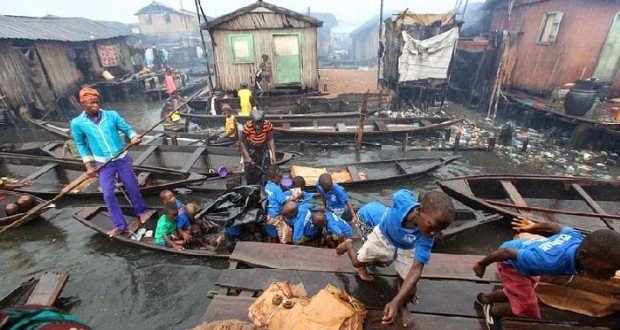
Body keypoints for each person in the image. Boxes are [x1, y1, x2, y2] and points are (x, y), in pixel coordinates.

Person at [336, 189, 455, 327]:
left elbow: (416, 270)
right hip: (383, 236)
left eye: (440, 229)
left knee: (408, 280)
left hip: (407, 245)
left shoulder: (427, 236)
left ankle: (403, 305)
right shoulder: (402, 201)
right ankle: (349, 245)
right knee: (357, 262)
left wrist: (395, 302)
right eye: (432, 226)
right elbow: (403, 192)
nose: (434, 233)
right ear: (419, 210)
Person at [473, 218, 620, 328]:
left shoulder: (577, 238)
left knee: (525, 291)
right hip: (512, 266)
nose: (612, 275)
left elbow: (556, 226)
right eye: (609, 270)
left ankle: (485, 299)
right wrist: (482, 264)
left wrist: (533, 226)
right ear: (583, 255)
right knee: (528, 308)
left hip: (529, 261)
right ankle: (494, 312)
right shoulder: (549, 261)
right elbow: (506, 252)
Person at [70, 87, 148, 237]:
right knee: (108, 195)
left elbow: (127, 129)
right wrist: (89, 166)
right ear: (83, 104)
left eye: (97, 102)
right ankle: (120, 225)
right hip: (103, 164)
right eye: (92, 103)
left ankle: (141, 212)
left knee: (132, 187)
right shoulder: (77, 123)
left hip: (122, 159)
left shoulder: (112, 115)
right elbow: (80, 145)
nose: (96, 106)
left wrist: (133, 136)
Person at [239, 110, 276, 185]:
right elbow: (241, 142)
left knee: (265, 168)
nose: (258, 126)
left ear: (263, 121)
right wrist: (247, 157)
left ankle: (264, 184)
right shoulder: (247, 126)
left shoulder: (267, 125)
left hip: (263, 147)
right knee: (250, 169)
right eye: (256, 123)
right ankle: (251, 185)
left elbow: (271, 139)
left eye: (260, 123)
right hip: (251, 148)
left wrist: (273, 155)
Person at [264, 165, 297, 243]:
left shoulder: (267, 186)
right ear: (274, 176)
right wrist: (296, 197)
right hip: (275, 216)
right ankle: (283, 244)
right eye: (280, 177)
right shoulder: (277, 189)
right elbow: (285, 202)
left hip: (268, 214)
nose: (281, 178)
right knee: (287, 232)